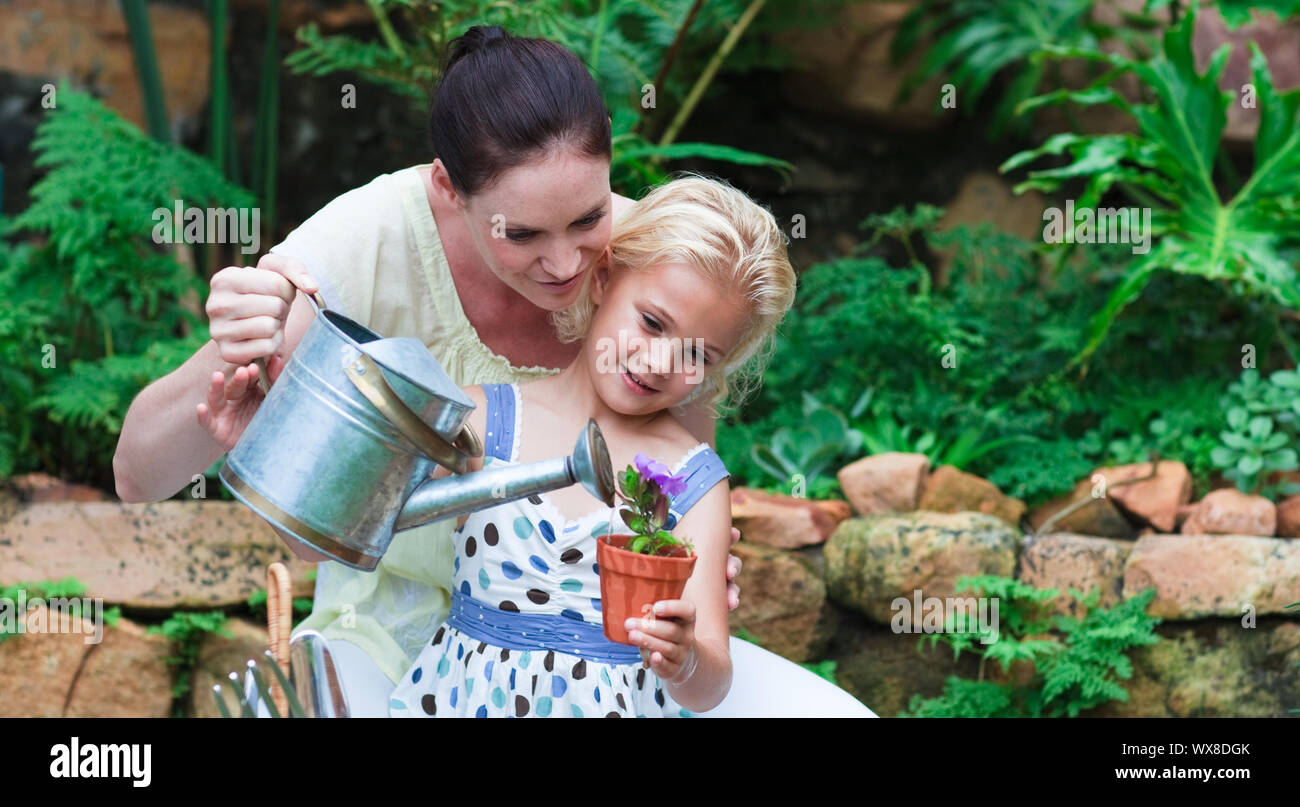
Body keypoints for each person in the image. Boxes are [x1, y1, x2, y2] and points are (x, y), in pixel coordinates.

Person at [116, 25, 874, 717]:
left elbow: (684, 493)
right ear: (449, 186)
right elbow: (209, 496)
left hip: (613, 677)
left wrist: (691, 596)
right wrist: (251, 404)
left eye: (587, 220)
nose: (567, 265)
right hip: (409, 642)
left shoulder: (659, 263)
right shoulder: (369, 245)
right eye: (523, 233)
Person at [391, 175, 783, 717]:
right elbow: (363, 505)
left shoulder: (694, 482)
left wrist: (686, 658)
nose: (658, 362)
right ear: (602, 278)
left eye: (699, 355)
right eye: (651, 323)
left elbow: (711, 685)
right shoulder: (485, 419)